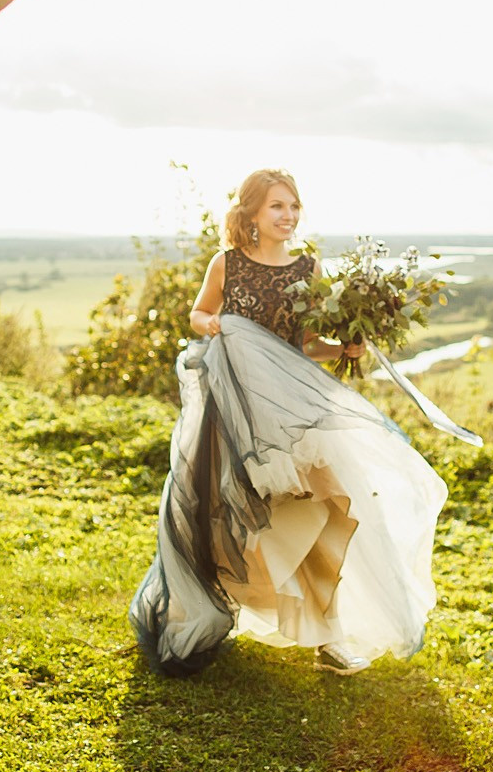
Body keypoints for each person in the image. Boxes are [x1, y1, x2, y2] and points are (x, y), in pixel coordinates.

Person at [128, 169, 446, 678]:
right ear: (252, 213)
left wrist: (342, 348)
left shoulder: (307, 267)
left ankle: (329, 636)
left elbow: (304, 345)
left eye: (294, 206)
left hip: (293, 419)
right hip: (233, 415)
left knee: (332, 509)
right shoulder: (226, 263)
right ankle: (202, 612)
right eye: (278, 206)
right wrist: (215, 325)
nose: (289, 216)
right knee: (225, 520)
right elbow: (198, 312)